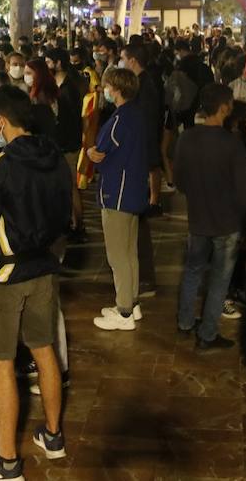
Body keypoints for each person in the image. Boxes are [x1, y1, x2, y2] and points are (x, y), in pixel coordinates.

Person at [0, 85, 71, 481]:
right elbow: (67, 212)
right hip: (44, 267)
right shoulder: (55, 156)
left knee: (2, 363)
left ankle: (7, 462)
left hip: (5, 275)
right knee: (44, 352)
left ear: (1, 121)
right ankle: (53, 435)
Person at [174, 82, 246, 350]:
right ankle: (207, 333)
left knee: (193, 271)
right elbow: (245, 191)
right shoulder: (232, 144)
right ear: (223, 108)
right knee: (219, 279)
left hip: (198, 219)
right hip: (227, 222)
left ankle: (185, 321)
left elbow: (180, 181)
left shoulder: (187, 138)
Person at [87, 67, 149, 331]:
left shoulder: (119, 119)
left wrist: (91, 152)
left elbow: (100, 151)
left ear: (117, 89)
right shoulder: (138, 115)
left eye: (107, 86)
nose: (105, 90)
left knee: (117, 256)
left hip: (117, 193)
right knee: (130, 251)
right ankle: (132, 304)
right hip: (135, 190)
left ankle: (123, 311)